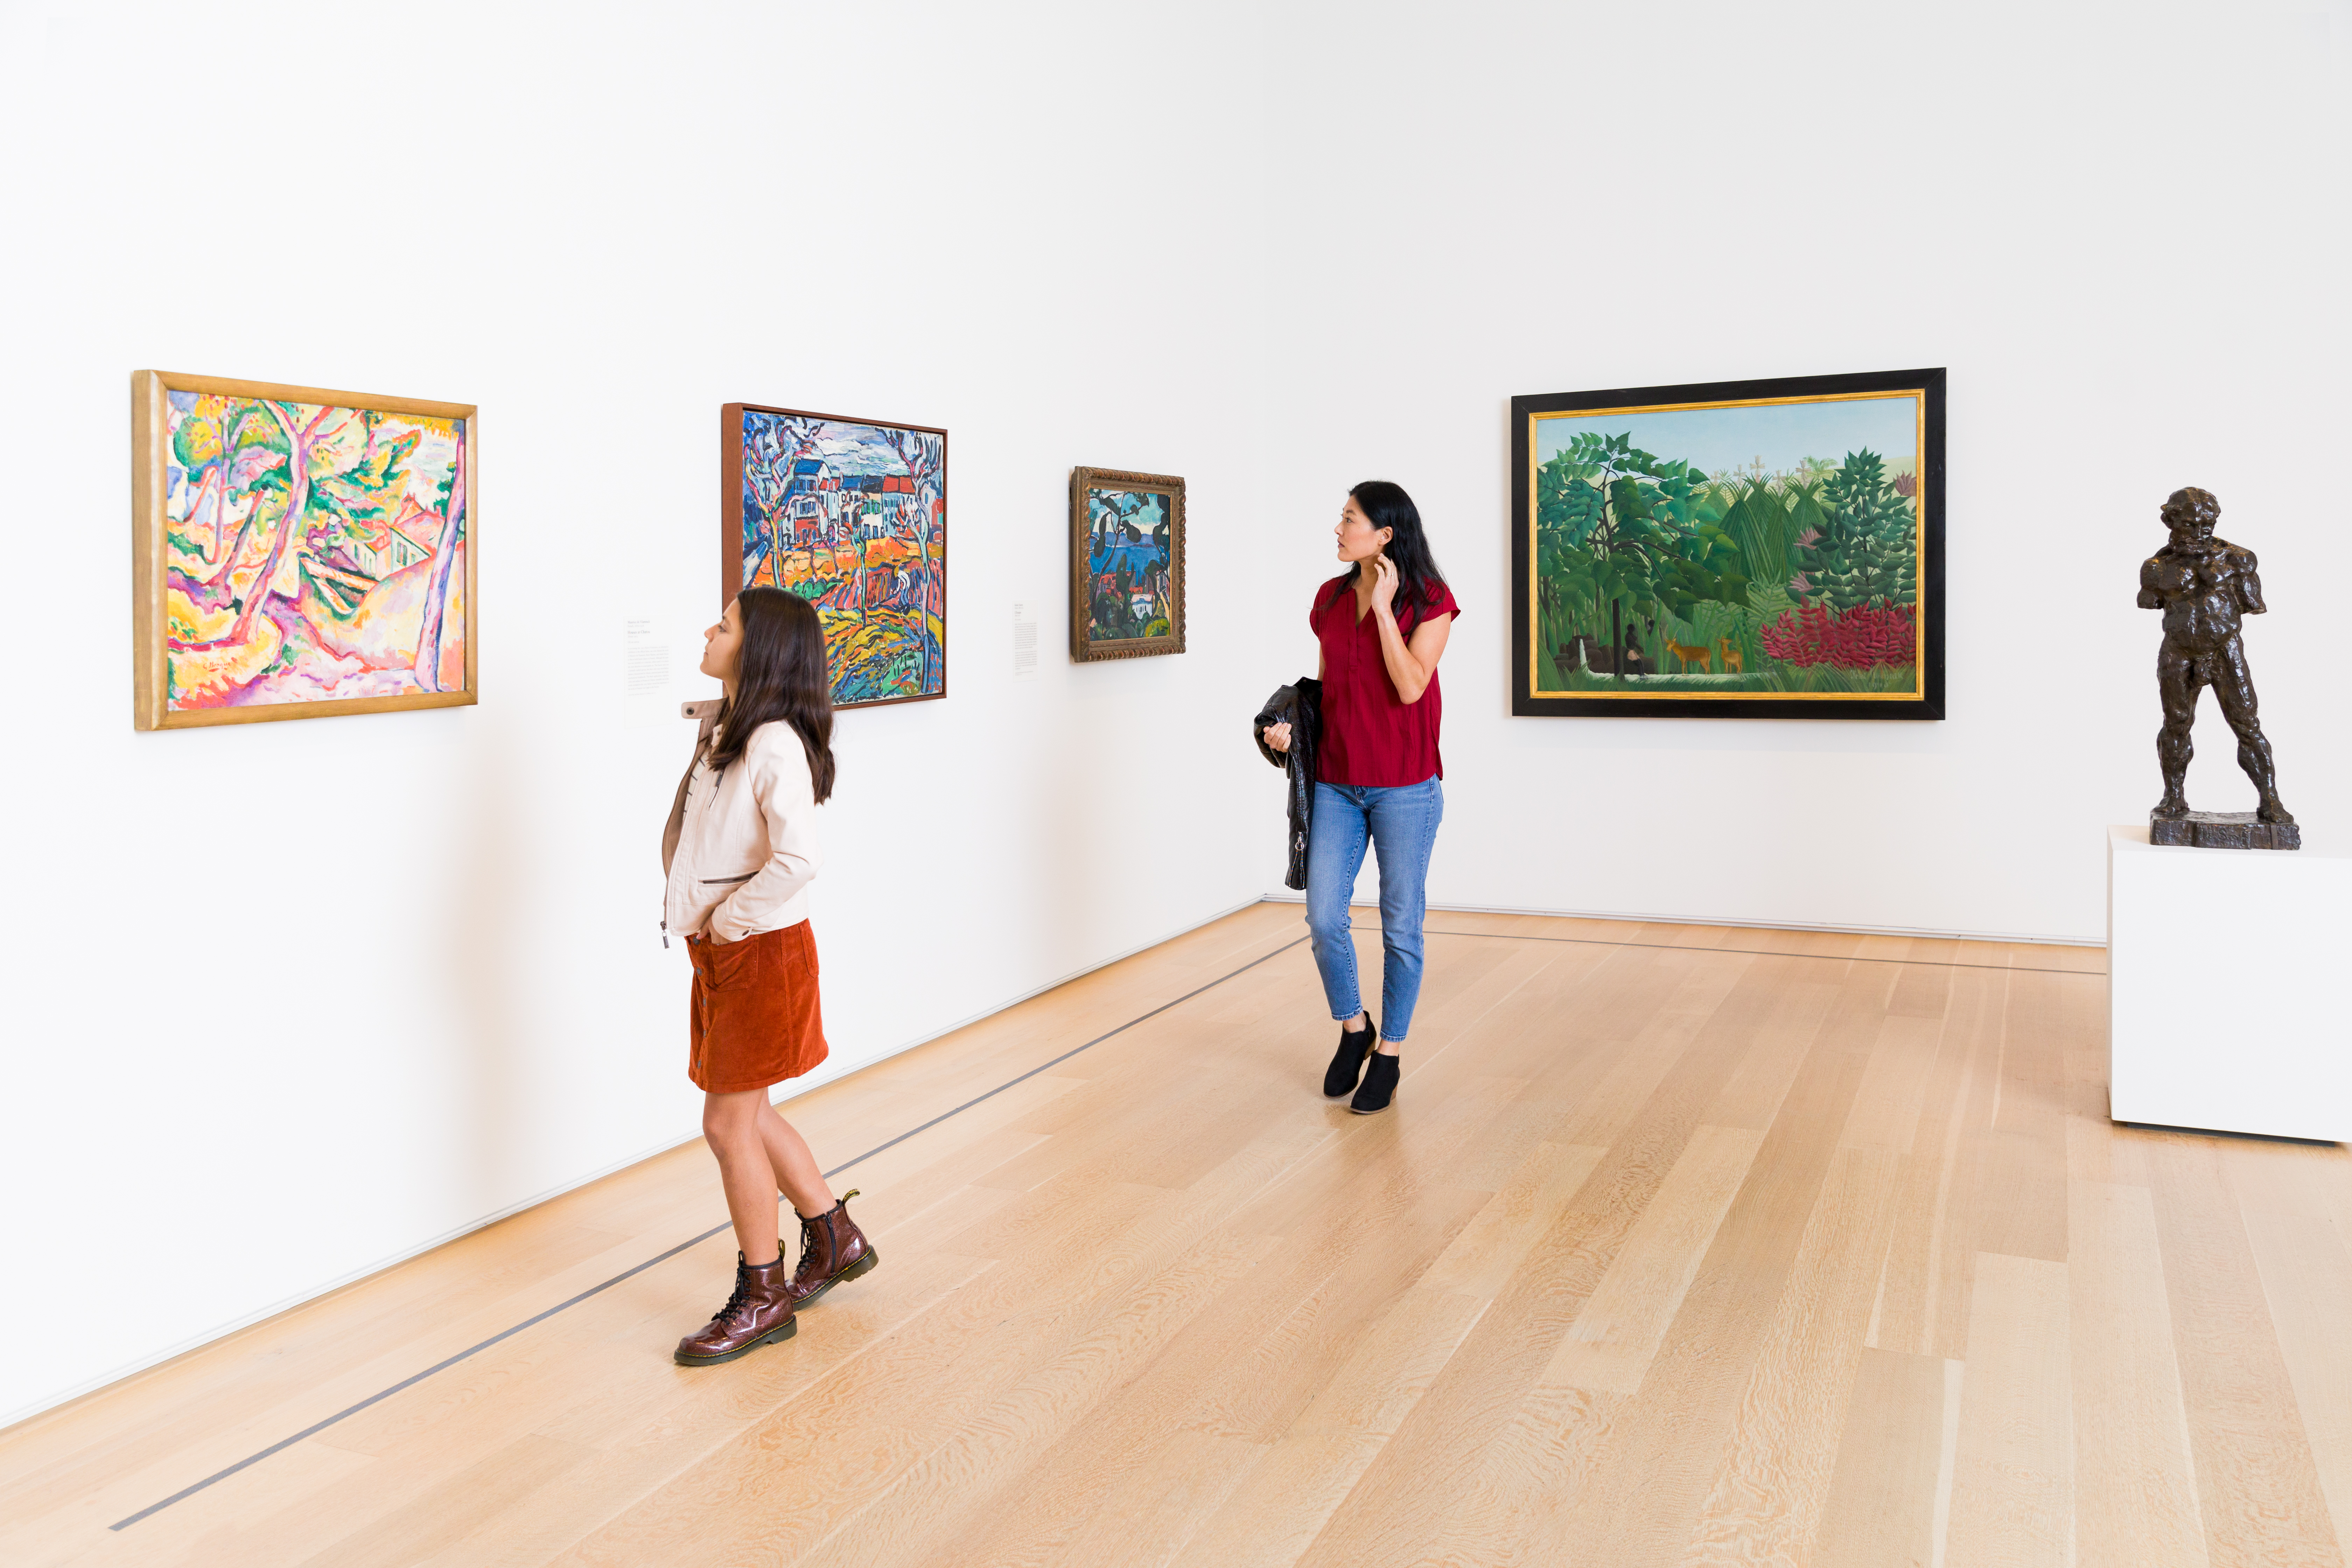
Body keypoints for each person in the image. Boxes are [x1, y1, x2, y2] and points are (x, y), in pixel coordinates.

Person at [662, 587, 876, 1366]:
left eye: (724, 623)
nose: (709, 629)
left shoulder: (774, 742)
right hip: (728, 953)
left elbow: (799, 858)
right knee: (749, 1112)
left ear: (758, 651)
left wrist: (730, 921)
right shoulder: (732, 733)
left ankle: (764, 1294)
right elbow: (696, 843)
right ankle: (835, 1234)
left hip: (757, 951)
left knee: (726, 1124)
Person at [1262, 481, 1457, 1114]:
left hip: (1406, 787)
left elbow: (1408, 686)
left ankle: (1391, 1053)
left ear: (1385, 536)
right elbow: (1332, 685)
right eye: (1342, 517)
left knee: (1401, 928)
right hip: (1338, 784)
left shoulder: (1431, 602)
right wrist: (1295, 729)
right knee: (1324, 919)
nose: (1338, 528)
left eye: (1350, 518)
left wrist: (1382, 607)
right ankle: (1355, 1029)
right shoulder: (1327, 598)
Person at [2137, 486, 2292, 824]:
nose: (2200, 531)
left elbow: (2253, 605)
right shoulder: (2155, 567)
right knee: (2176, 724)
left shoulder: (2238, 560)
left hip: (2224, 650)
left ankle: (2270, 799)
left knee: (2247, 725)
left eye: (2207, 524)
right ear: (2170, 521)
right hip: (2177, 652)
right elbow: (2148, 602)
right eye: (2190, 524)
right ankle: (2173, 796)